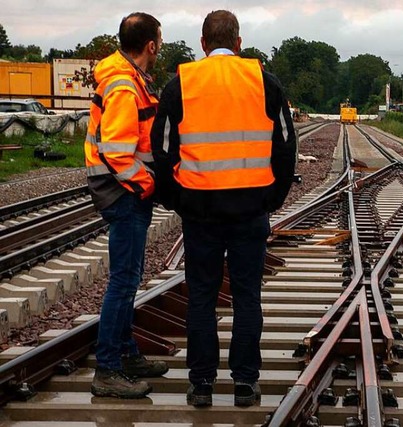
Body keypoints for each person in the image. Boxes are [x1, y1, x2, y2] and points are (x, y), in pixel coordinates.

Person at [151, 10, 297, 407]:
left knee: (201, 295)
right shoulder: (264, 82)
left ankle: (201, 384)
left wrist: (176, 199)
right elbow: (286, 145)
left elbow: (161, 151)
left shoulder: (180, 84)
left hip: (200, 209)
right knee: (248, 295)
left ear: (202, 43)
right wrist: (274, 196)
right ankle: (246, 384)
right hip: (252, 207)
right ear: (238, 42)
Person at [85, 12, 169, 399]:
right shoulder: (123, 84)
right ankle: (108, 369)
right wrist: (148, 183)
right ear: (151, 44)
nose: (161, 46)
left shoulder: (130, 76)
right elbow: (118, 151)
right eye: (160, 40)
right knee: (122, 281)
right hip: (124, 191)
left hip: (125, 189)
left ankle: (126, 352)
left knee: (129, 277)